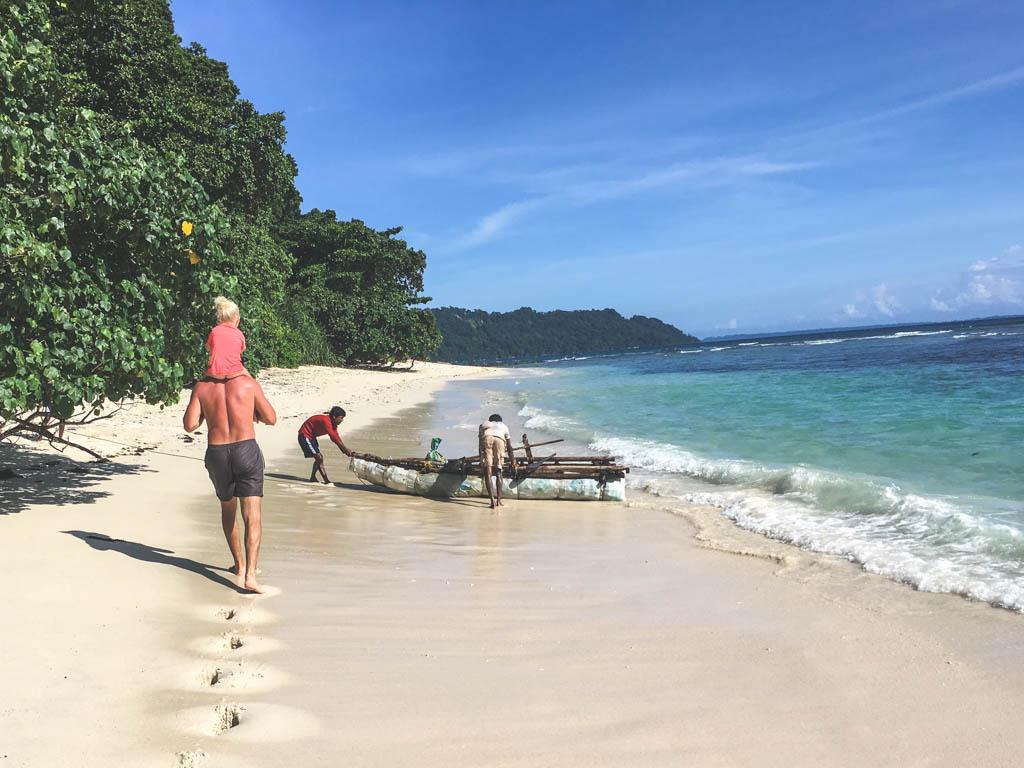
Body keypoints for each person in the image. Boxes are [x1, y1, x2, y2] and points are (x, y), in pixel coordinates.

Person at [183, 375, 277, 593]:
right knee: (252, 514)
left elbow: (190, 425)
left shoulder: (202, 387)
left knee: (228, 508)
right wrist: (252, 413)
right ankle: (251, 576)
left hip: (217, 453)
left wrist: (207, 415)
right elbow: (271, 418)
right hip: (245, 449)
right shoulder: (247, 383)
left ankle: (239, 564)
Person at [298, 406, 353, 484]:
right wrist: (345, 450)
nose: (342, 420)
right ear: (334, 417)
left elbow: (337, 437)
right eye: (341, 418)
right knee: (319, 457)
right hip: (305, 435)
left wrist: (345, 450)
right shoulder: (326, 421)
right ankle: (325, 480)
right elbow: (333, 437)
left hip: (312, 437)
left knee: (319, 458)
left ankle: (315, 478)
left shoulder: (333, 425)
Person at [206, 296, 250, 381]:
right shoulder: (239, 334)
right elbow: (241, 350)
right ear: (237, 318)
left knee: (201, 383)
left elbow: (208, 347)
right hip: (235, 371)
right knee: (253, 383)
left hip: (215, 372)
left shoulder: (214, 331)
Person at [478, 414, 512, 509]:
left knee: (488, 471)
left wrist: (481, 458)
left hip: (487, 437)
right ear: (500, 421)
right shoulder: (504, 426)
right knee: (498, 471)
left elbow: (480, 443)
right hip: (500, 440)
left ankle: (492, 501)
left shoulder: (484, 424)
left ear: (490, 420)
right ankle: (499, 501)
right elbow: (509, 447)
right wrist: (513, 461)